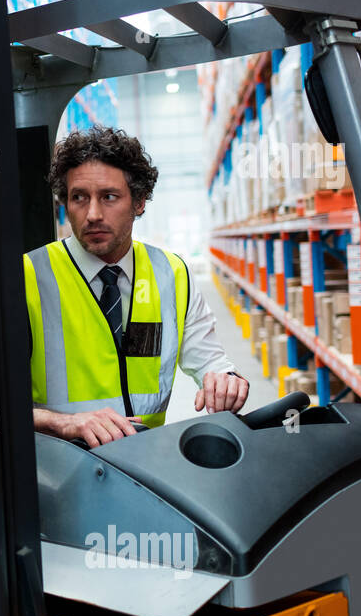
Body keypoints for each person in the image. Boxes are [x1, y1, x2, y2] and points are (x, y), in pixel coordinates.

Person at [26, 125, 249, 447]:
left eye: (109, 197)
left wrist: (225, 381)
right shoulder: (27, 277)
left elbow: (210, 362)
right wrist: (64, 423)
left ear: (140, 202)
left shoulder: (172, 274)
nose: (92, 214)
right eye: (79, 198)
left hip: (144, 459)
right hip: (59, 464)